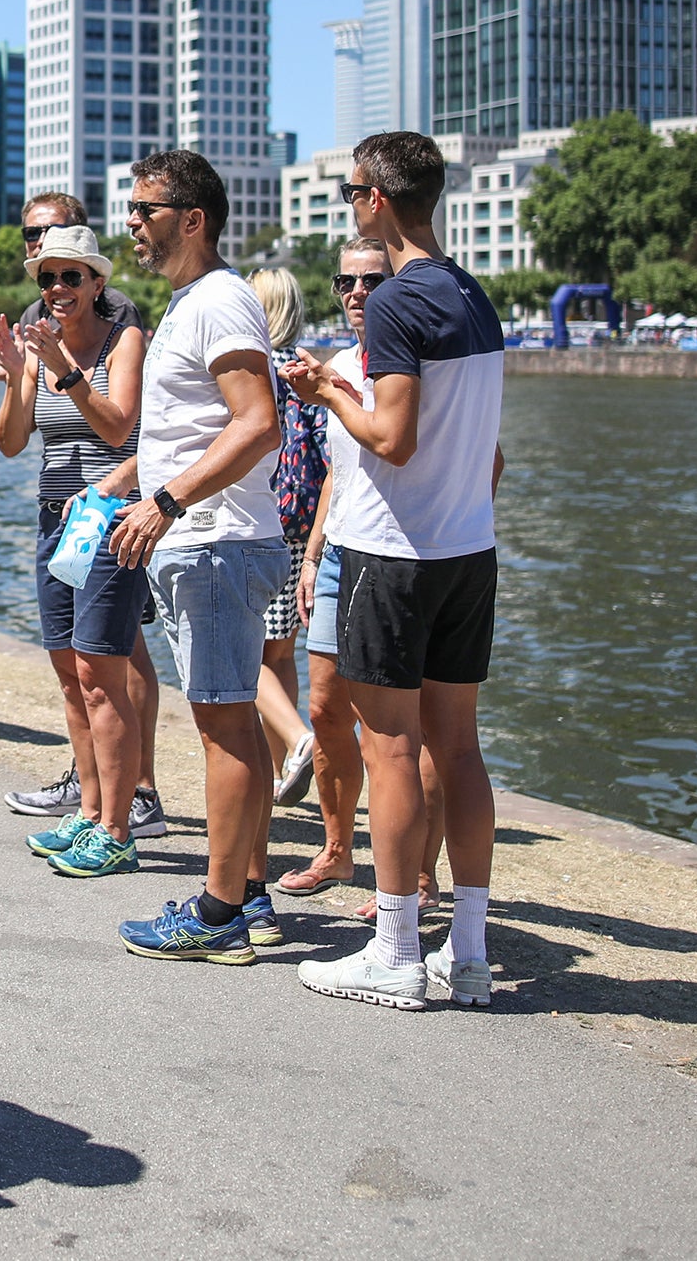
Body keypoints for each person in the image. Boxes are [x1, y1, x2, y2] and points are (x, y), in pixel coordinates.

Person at [285, 132, 505, 1010]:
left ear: (375, 197)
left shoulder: (396, 303)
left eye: (349, 192)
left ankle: (395, 949)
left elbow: (392, 436)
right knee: (459, 749)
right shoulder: (472, 294)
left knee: (393, 751)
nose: (350, 204)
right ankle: (472, 951)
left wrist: (328, 393)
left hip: (395, 552)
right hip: (467, 551)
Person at [103, 149, 287, 965]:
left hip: (215, 544)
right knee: (234, 721)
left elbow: (258, 422)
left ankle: (217, 916)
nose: (133, 223)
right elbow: (181, 430)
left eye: (145, 209)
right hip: (205, 544)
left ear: (193, 218)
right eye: (133, 209)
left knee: (221, 729)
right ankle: (247, 893)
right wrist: (126, 488)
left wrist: (167, 502)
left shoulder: (219, 302)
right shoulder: (190, 303)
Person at [0, 225, 160, 877]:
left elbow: (119, 426)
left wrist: (65, 371)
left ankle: (118, 827)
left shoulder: (121, 338)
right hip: (55, 519)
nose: (56, 288)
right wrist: (17, 377)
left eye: (71, 277)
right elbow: (12, 443)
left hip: (107, 520)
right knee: (72, 681)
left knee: (105, 681)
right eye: (47, 277)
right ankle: (89, 812)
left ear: (97, 283)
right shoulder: (39, 344)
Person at [274, 241, 389, 904]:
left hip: (397, 556)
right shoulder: (341, 364)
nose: (354, 292)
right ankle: (338, 851)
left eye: (371, 279)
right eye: (345, 280)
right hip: (342, 549)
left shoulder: (414, 364)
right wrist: (314, 556)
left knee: (394, 728)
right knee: (324, 710)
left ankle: (418, 879)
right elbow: (335, 478)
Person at [250, 269, 324, 806]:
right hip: (303, 527)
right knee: (281, 657)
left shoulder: (255, 370)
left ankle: (297, 742)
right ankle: (281, 774)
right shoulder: (310, 372)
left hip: (260, 522)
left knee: (243, 655)